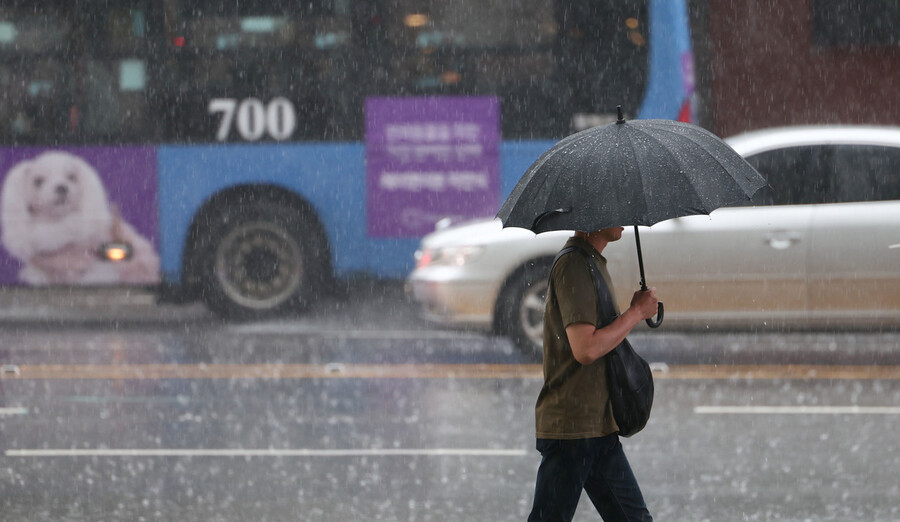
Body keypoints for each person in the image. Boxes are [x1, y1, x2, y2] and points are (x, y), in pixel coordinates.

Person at [527, 227, 659, 522]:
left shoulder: (591, 261)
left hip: (597, 426)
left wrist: (634, 312)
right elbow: (585, 348)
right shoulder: (574, 266)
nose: (624, 219)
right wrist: (635, 313)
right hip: (573, 429)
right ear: (596, 215)